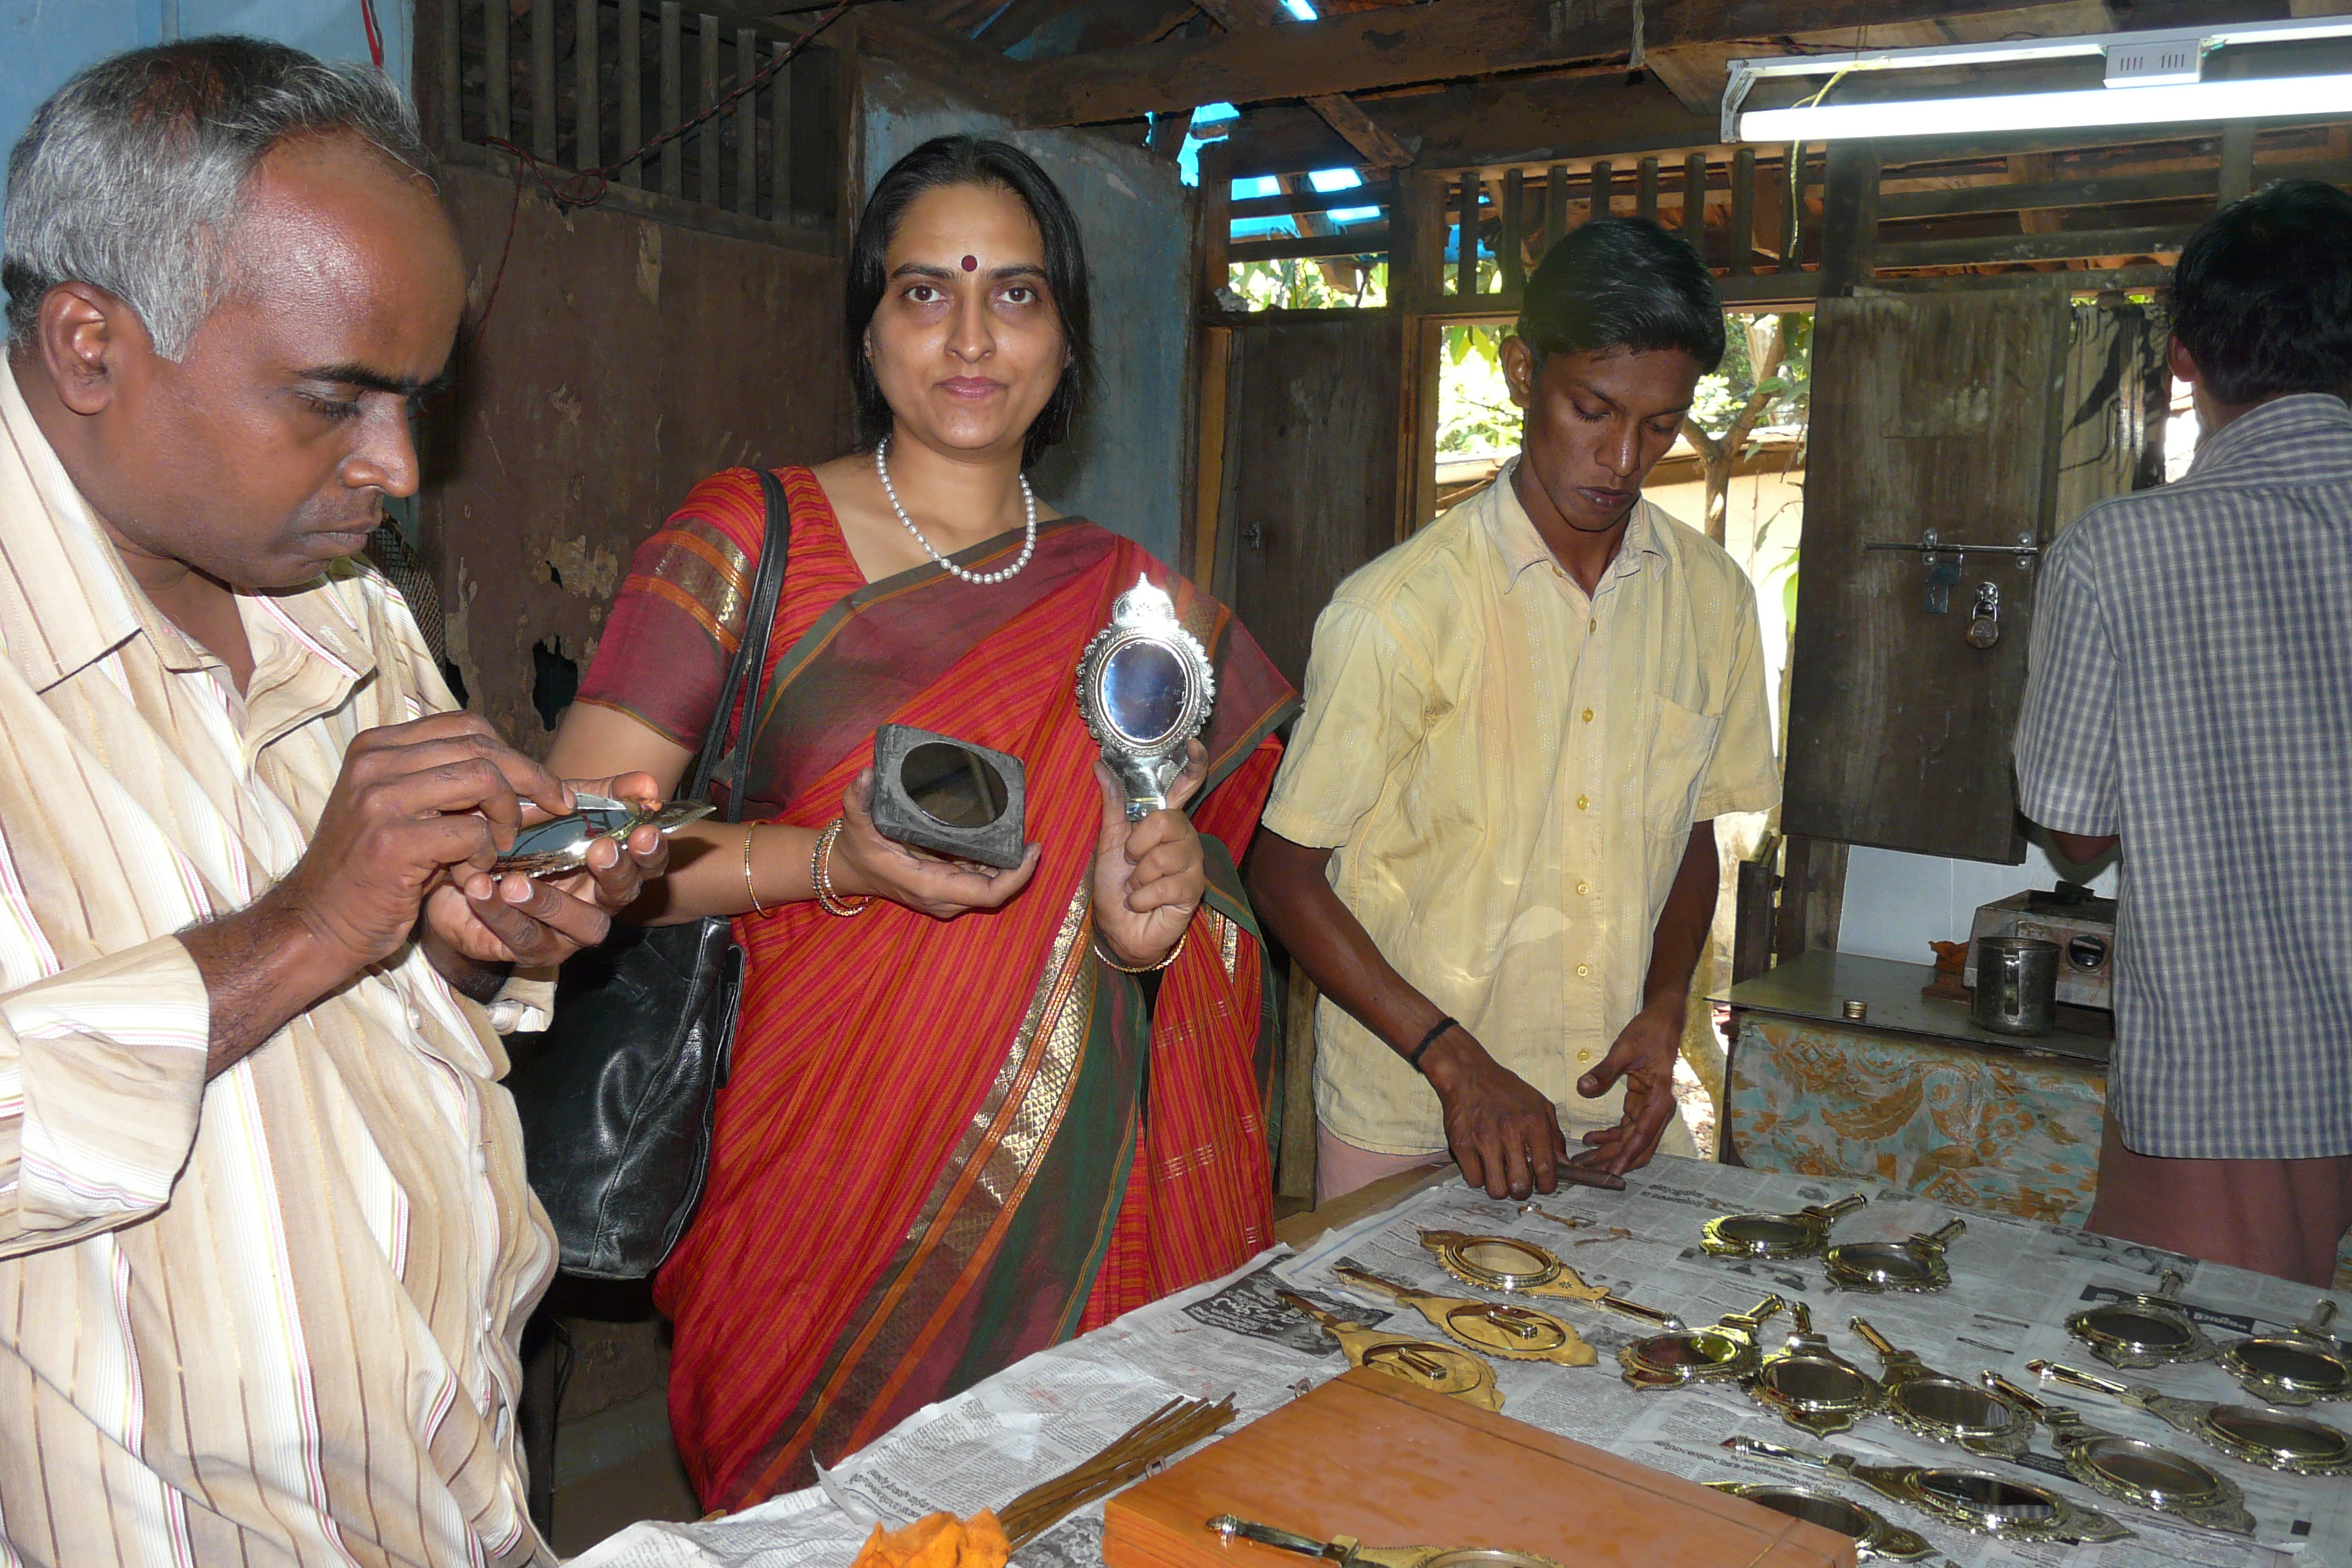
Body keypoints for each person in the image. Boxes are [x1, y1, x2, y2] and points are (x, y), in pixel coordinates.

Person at [545, 135, 1296, 1510]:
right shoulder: (742, 537)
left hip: (1075, 1214)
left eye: (1016, 295)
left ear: (1068, 342)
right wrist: (828, 863)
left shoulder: (1138, 611)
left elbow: (1196, 910)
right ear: (868, 325)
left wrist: (1147, 933)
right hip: (816, 1179)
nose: (969, 335)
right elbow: (574, 860)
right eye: (922, 292)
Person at [0, 38, 669, 1565]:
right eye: (336, 399)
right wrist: (304, 924)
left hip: (449, 1499)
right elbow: (305, 938)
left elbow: (385, 1001)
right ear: (90, 344)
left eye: (415, 401)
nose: (397, 467)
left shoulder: (348, 616)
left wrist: (476, 936)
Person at [1248, 218, 1779, 1205]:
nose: (1623, 458)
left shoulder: (1711, 599)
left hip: (1615, 1110)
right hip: (1414, 1114)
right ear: (1521, 370)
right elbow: (1284, 876)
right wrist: (1456, 1063)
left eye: (1660, 426)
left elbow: (1691, 835)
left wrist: (1668, 1003)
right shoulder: (1398, 613)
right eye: (1594, 409)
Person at [2015, 179, 2352, 1287]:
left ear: (2185, 358)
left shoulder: (2121, 554)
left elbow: (2072, 834)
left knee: (2196, 1413)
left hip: (2231, 1079)